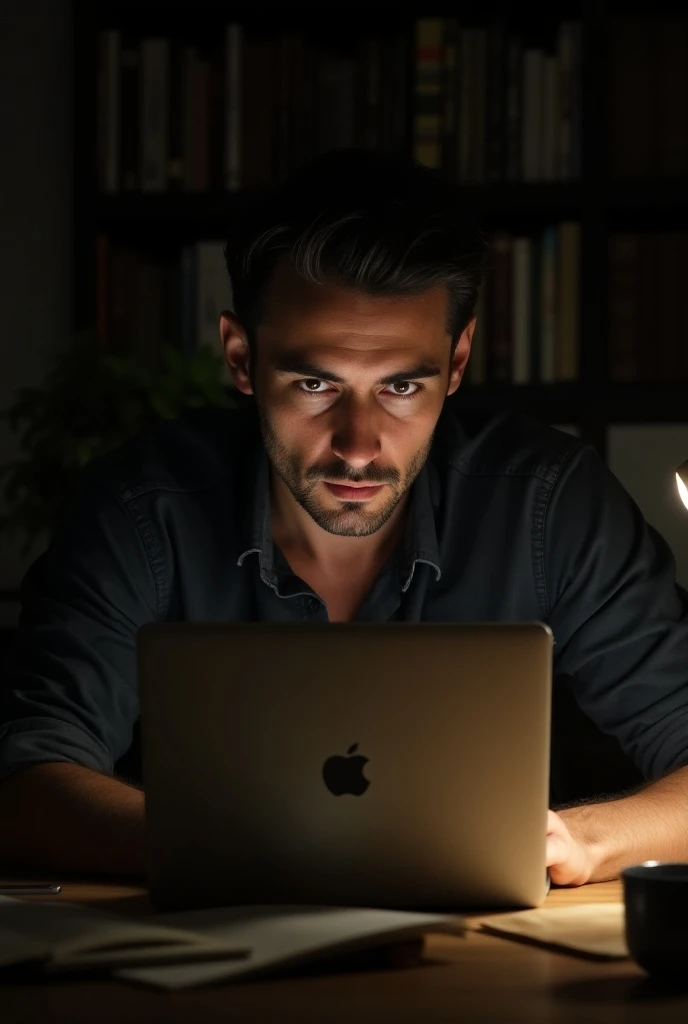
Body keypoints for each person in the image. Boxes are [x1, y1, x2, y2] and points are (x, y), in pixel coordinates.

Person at [1, 148, 688, 888]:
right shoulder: (142, 511)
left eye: (400, 386)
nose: (358, 446)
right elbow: (24, 779)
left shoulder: (550, 506)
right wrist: (262, 855)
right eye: (315, 382)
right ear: (240, 357)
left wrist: (586, 839)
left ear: (456, 363)